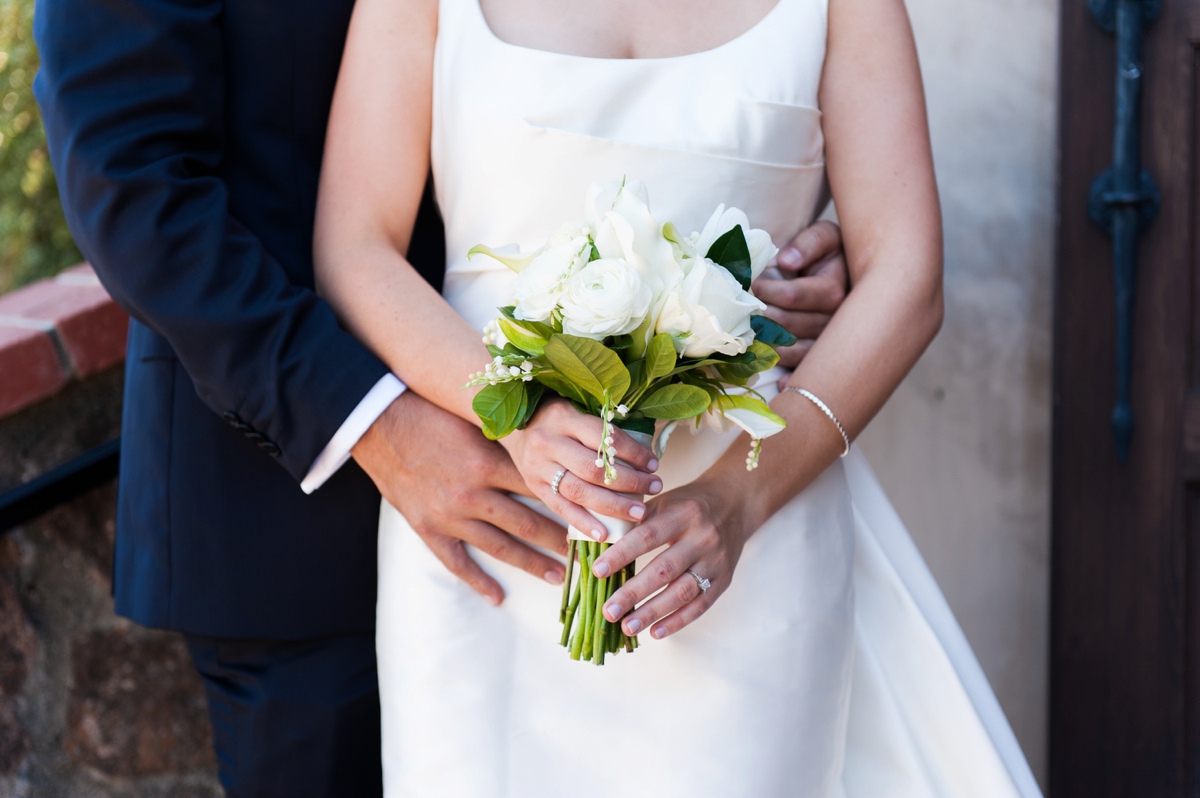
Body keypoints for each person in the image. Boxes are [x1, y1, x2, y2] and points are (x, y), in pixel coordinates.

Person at [29, 0, 849, 792]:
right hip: (294, 522)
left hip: (626, 502)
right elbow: (130, 183)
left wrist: (768, 244)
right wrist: (375, 420)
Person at [313, 0, 1045, 796]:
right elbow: (355, 246)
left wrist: (736, 499)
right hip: (495, 514)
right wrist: (515, 411)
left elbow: (907, 276)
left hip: (750, 534)